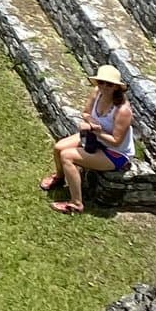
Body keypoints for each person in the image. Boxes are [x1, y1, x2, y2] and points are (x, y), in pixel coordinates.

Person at [44, 64, 135, 213]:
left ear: (117, 87)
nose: (104, 87)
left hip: (115, 153)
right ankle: (60, 177)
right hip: (96, 139)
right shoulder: (97, 93)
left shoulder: (123, 110)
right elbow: (86, 113)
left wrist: (95, 130)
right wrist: (91, 123)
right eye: (101, 82)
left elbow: (116, 141)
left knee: (67, 156)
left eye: (109, 84)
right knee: (59, 147)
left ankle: (76, 203)